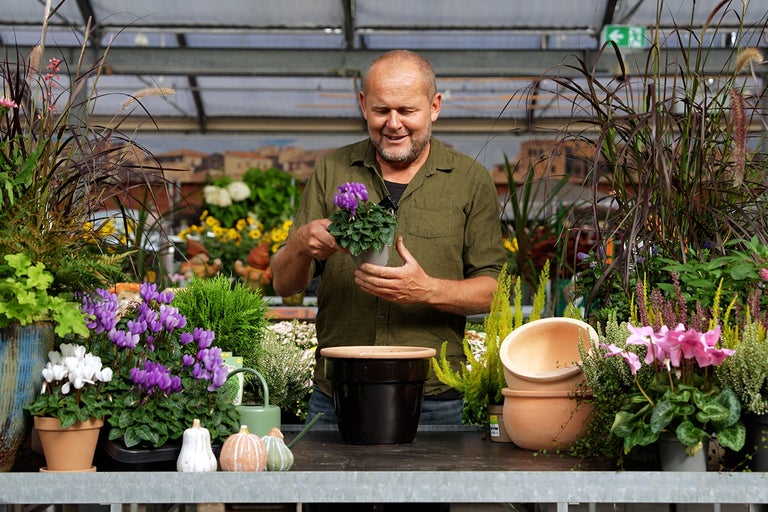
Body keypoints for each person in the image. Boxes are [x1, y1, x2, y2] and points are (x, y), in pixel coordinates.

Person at [270, 49, 507, 429]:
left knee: (428, 491)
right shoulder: (333, 169)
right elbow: (284, 285)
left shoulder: (468, 180)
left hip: (433, 394)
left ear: (434, 106)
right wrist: (299, 243)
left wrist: (425, 289)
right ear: (363, 105)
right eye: (381, 110)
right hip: (338, 391)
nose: (393, 124)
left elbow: (496, 290)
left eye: (407, 111)